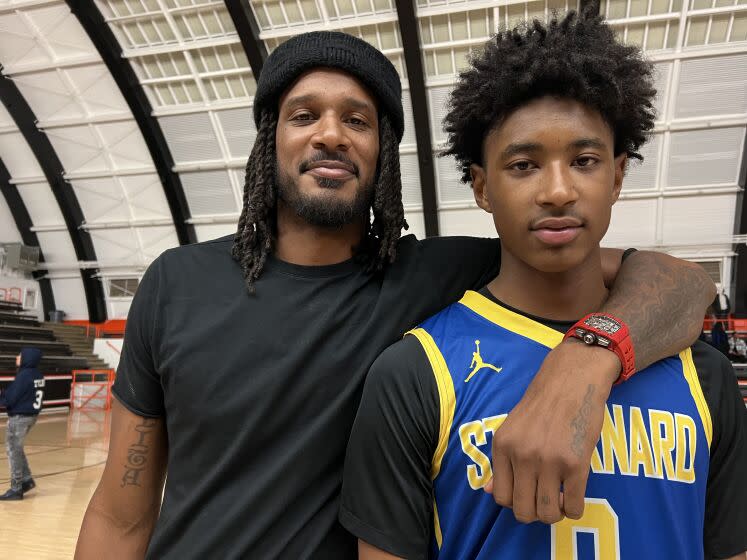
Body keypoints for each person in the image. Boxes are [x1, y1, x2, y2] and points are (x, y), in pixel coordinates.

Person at [74, 31, 716, 559]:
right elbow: (121, 514)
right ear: (271, 137)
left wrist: (586, 359)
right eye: (305, 115)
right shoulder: (175, 283)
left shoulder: (440, 274)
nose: (330, 134)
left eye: (357, 120)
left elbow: (683, 283)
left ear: (384, 153)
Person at [340, 11, 747, 560]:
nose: (557, 190)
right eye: (524, 164)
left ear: (618, 176)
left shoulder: (705, 375)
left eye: (584, 160)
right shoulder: (414, 374)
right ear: (482, 187)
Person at [0, 347, 44, 501]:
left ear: (27, 358)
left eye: (20, 355)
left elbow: (10, 398)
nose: (17, 357)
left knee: (12, 450)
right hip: (31, 416)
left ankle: (16, 488)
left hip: (20, 417)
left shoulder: (24, 376)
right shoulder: (37, 375)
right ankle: (26, 480)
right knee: (17, 448)